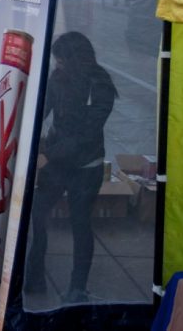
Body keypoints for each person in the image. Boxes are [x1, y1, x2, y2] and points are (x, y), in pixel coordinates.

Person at [26, 32, 117, 303]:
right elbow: (43, 109)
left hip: (85, 166)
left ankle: (77, 286)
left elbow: (86, 135)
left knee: (80, 223)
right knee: (37, 214)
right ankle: (34, 276)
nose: (57, 66)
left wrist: (48, 155)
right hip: (57, 161)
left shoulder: (99, 84)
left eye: (61, 61)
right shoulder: (58, 78)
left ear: (74, 60)